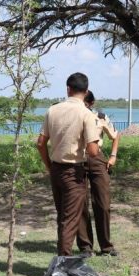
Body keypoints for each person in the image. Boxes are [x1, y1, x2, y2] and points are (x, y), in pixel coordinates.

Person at [36, 73, 101, 256]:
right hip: (74, 171)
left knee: (62, 216)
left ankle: (63, 259)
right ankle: (63, 263)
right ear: (86, 91)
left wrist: (49, 166)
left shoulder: (52, 110)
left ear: (68, 89)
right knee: (70, 219)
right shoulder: (86, 114)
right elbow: (93, 151)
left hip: (56, 168)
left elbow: (40, 143)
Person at [76, 90, 120, 257]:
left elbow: (115, 136)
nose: (83, 107)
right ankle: (86, 247)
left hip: (97, 158)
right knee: (80, 203)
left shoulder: (100, 117)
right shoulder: (73, 116)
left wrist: (113, 156)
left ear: (91, 104)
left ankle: (106, 247)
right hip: (77, 159)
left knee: (102, 202)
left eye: (85, 104)